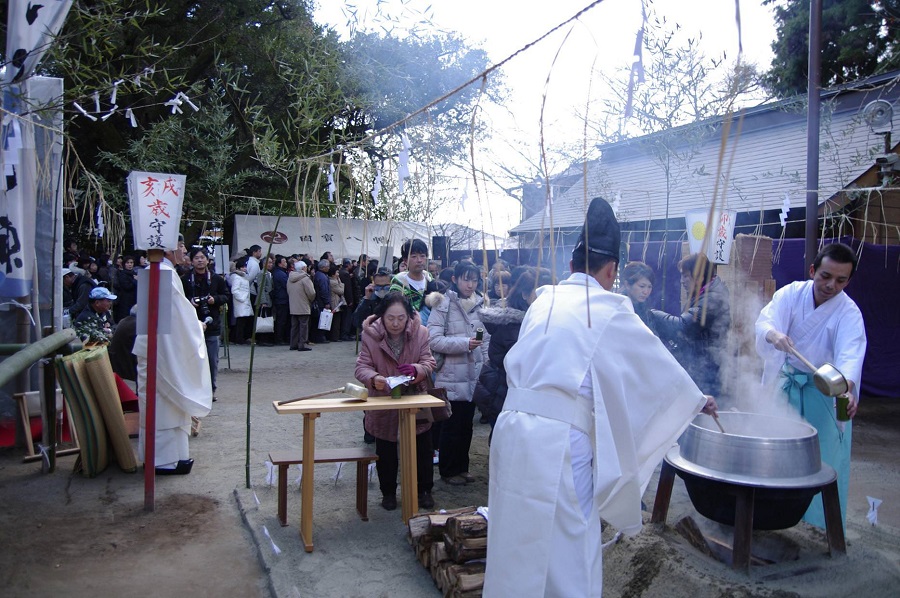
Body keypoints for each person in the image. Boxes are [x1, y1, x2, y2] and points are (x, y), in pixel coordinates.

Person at [484, 197, 717, 596]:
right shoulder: (609, 307)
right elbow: (655, 369)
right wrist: (696, 399)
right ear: (611, 270)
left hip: (511, 430)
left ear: (572, 266)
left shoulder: (545, 300)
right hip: (558, 441)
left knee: (514, 533)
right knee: (568, 545)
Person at [755, 242, 866, 529]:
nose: (831, 285)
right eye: (825, 276)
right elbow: (766, 321)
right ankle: (773, 521)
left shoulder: (849, 313)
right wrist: (773, 335)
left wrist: (846, 387)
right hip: (788, 386)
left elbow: (850, 355)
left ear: (849, 280)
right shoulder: (792, 294)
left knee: (822, 462)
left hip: (824, 393)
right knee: (777, 455)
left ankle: (817, 527)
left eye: (841, 280)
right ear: (812, 270)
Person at [134, 247, 212, 475]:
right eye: (182, 247)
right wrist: (197, 328)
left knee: (172, 409)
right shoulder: (159, 273)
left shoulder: (165, 272)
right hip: (161, 353)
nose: (186, 251)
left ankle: (176, 456)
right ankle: (162, 461)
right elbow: (174, 323)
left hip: (164, 350)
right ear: (168, 249)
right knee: (161, 408)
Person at [355, 292, 437, 511]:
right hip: (383, 399)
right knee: (386, 449)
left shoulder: (421, 332)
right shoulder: (370, 335)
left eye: (401, 318)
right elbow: (362, 367)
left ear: (409, 316)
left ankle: (424, 490)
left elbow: (429, 361)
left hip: (414, 399)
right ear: (381, 316)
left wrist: (417, 369)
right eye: (390, 318)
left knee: (422, 448)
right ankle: (388, 493)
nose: (396, 323)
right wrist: (374, 378)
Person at [426, 260, 489, 485]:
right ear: (455, 279)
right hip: (451, 375)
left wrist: (486, 362)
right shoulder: (442, 303)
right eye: (466, 279)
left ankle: (462, 467)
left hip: (474, 373)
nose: (470, 284)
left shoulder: (480, 305)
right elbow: (433, 340)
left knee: (466, 425)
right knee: (451, 425)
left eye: (474, 280)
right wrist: (465, 343)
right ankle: (448, 470)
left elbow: (485, 338)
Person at [473, 267, 553, 430]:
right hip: (505, 394)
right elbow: (525, 365)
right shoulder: (512, 325)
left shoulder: (541, 320)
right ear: (524, 294)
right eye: (540, 294)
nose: (548, 299)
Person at [650, 253, 731, 397]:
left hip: (707, 373)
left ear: (699, 276)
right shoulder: (701, 294)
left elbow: (682, 327)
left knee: (703, 415)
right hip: (699, 368)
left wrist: (650, 314)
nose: (682, 281)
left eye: (686, 276)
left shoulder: (712, 299)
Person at [181, 247, 229, 403]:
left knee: (211, 359)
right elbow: (179, 298)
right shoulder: (185, 279)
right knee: (191, 359)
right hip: (191, 323)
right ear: (191, 261)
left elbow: (226, 296)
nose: (200, 260)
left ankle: (211, 390)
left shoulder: (217, 279)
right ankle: (193, 390)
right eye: (196, 258)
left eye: (202, 257)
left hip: (212, 323)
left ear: (208, 260)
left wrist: (215, 299)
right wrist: (189, 301)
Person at [390, 239, 438, 322]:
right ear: (405, 261)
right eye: (414, 256)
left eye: (422, 256)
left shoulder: (430, 280)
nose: (419, 260)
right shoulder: (398, 285)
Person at [287, 260, 316, 351]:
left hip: (293, 305)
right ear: (303, 268)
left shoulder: (290, 278)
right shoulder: (305, 278)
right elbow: (311, 293)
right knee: (303, 325)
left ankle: (293, 344)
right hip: (303, 305)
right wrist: (310, 300)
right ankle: (302, 344)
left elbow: (288, 291)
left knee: (294, 326)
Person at [620, 261, 656, 331]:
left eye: (649, 287)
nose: (646, 292)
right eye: (642, 286)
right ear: (627, 285)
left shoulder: (645, 309)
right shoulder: (620, 307)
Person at [229, 257, 253, 345]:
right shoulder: (237, 278)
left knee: (242, 321)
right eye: (242, 267)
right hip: (241, 302)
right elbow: (234, 290)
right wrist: (242, 298)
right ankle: (238, 339)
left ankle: (240, 338)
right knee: (240, 322)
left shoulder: (243, 277)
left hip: (244, 302)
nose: (244, 268)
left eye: (245, 267)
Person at [310, 259, 331, 344]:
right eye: (327, 266)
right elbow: (324, 291)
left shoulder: (317, 275)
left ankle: (317, 337)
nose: (329, 268)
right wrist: (327, 302)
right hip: (321, 302)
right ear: (323, 267)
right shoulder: (322, 277)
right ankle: (320, 338)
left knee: (317, 321)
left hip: (318, 301)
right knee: (321, 321)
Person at [271, 255, 290, 345]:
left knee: (282, 320)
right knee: (281, 320)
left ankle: (280, 338)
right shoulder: (280, 274)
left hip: (281, 299)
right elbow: (287, 285)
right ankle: (279, 339)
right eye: (284, 262)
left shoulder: (280, 272)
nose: (286, 263)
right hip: (281, 299)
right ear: (279, 264)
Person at [114, 255, 139, 322]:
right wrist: (135, 280)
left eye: (131, 263)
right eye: (127, 263)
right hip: (125, 300)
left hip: (134, 299)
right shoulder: (122, 274)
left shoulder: (135, 273)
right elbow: (127, 286)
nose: (130, 264)